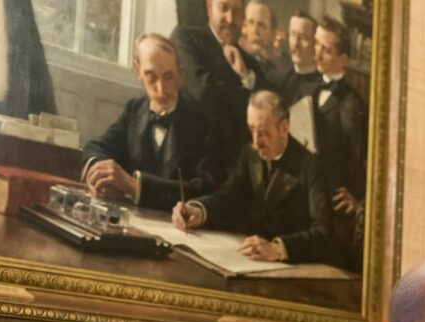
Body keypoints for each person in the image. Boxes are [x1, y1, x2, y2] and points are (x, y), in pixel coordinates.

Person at [172, 90, 332, 265]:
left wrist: (279, 248)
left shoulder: (312, 165)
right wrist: (199, 210)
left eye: (263, 133)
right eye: (251, 130)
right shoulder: (250, 154)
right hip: (250, 261)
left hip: (295, 267)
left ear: (284, 128)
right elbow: (229, 196)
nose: (256, 142)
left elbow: (325, 231)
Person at [81, 33, 219, 211]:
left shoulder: (204, 121)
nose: (161, 89)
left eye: (168, 77)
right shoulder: (134, 110)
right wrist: (98, 174)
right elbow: (96, 146)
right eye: (151, 77)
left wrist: (135, 186)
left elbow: (204, 188)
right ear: (138, 71)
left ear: (181, 74)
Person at [171, 0, 269, 170]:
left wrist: (246, 76)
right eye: (224, 8)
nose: (230, 18)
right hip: (192, 161)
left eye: (236, 11)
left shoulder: (250, 64)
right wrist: (247, 93)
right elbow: (203, 92)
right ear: (209, 8)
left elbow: (268, 110)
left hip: (235, 169)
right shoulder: (185, 38)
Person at [312, 17, 368, 271]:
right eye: (317, 45)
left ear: (343, 59)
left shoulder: (352, 106)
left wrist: (355, 196)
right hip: (310, 193)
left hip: (333, 205)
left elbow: (359, 158)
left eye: (327, 49)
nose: (318, 53)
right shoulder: (311, 87)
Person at [270, 11, 321, 107]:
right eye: (292, 35)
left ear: (315, 44)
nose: (295, 44)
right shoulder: (283, 78)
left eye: (302, 37)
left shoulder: (322, 85)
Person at [240, 0, 288, 78]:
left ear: (272, 33)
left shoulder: (278, 74)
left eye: (261, 25)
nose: (255, 31)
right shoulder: (236, 61)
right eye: (250, 22)